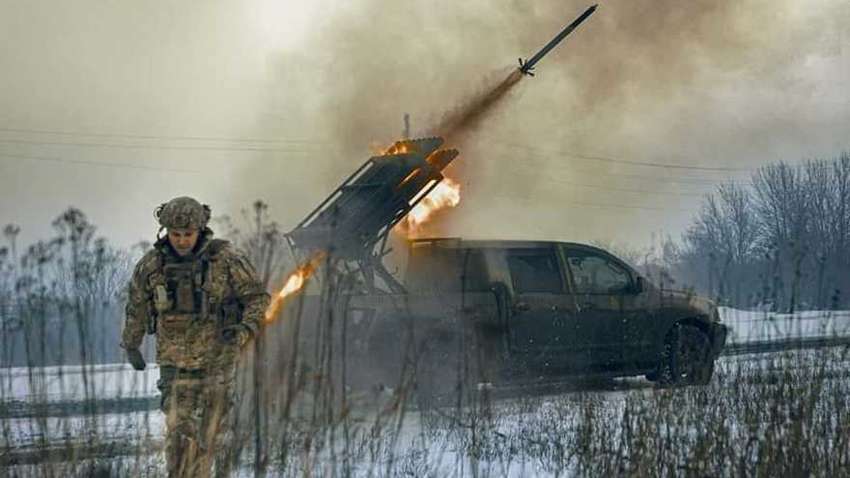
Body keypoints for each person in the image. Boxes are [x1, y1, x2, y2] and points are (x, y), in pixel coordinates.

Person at [121, 196, 270, 477]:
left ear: (200, 230)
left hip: (218, 364)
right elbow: (136, 306)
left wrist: (244, 331)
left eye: (188, 234)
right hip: (175, 367)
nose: (181, 240)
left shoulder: (226, 260)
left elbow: (258, 299)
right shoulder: (151, 265)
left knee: (211, 437)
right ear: (166, 231)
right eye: (175, 235)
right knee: (179, 437)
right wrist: (131, 344)